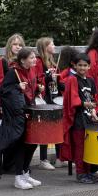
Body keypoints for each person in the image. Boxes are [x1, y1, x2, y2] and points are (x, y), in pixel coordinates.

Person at [0, 47, 43, 190]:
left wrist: (38, 89)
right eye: (31, 58)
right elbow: (4, 91)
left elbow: (30, 90)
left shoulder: (32, 70)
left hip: (30, 109)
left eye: (34, 57)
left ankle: (25, 173)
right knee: (21, 145)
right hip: (18, 114)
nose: (34, 60)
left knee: (32, 143)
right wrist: (17, 86)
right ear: (23, 60)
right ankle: (18, 177)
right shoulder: (13, 72)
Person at [59, 52, 98, 184]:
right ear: (75, 66)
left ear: (89, 66)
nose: (82, 68)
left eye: (85, 65)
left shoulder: (91, 80)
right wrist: (84, 104)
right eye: (80, 65)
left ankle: (88, 172)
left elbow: (92, 99)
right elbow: (72, 99)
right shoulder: (72, 79)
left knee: (88, 147)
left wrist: (93, 111)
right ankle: (81, 173)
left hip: (88, 118)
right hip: (78, 119)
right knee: (80, 147)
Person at [35, 37, 61, 170]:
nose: (54, 46)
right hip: (45, 98)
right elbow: (38, 78)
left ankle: (59, 157)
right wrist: (49, 77)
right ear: (45, 47)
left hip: (55, 96)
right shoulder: (39, 62)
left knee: (57, 127)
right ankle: (43, 159)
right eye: (52, 44)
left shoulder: (53, 62)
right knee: (45, 129)